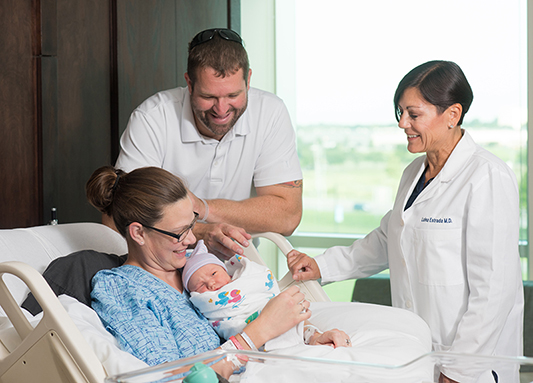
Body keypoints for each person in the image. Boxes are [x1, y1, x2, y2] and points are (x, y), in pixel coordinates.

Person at [286, 61, 524, 383]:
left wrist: (458, 372)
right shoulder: (413, 174)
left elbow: (494, 292)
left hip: (470, 365)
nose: (402, 124)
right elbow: (387, 241)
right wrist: (321, 266)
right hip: (415, 353)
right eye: (400, 112)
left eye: (414, 114)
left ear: (452, 115)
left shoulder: (486, 177)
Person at [86, 165, 311, 380]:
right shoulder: (121, 288)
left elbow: (254, 306)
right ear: (138, 233)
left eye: (192, 225)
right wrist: (259, 332)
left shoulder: (197, 267)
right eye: (179, 232)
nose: (193, 239)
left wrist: (310, 335)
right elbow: (168, 377)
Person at [111, 28, 303, 259]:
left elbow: (288, 216)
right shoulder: (152, 118)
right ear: (189, 83)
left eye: (233, 95)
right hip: (162, 266)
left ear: (248, 79)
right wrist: (202, 233)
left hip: (238, 266)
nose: (221, 110)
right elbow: (117, 218)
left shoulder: (270, 112)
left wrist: (203, 208)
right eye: (209, 97)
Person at [182, 240, 351, 350]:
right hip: (253, 340)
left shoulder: (248, 279)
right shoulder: (209, 306)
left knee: (292, 313)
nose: (211, 284)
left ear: (225, 270)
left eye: (213, 274)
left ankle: (313, 336)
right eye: (200, 285)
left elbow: (269, 298)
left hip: (277, 316)